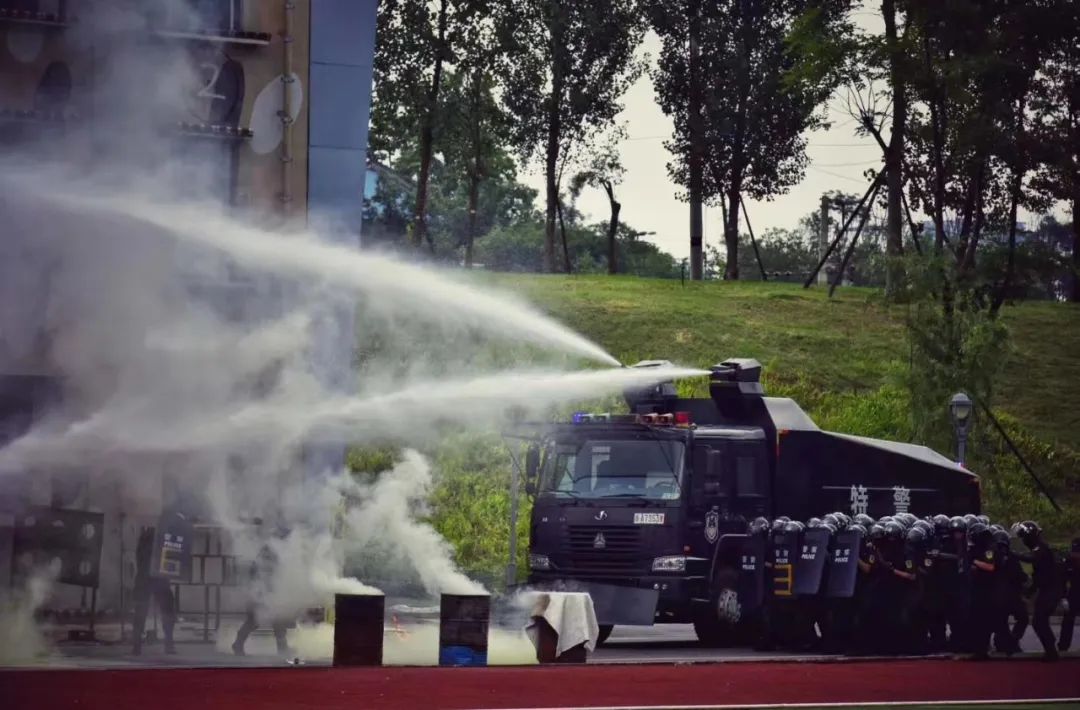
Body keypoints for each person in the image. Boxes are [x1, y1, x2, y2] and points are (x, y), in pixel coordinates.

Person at [232, 533, 293, 656]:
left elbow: (274, 580)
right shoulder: (259, 565)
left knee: (278, 622)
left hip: (265, 596)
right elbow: (255, 581)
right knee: (253, 622)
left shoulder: (267, 563)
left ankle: (282, 648)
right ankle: (238, 644)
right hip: (257, 597)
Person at [1012, 521, 1062, 661]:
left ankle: (1051, 651)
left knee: (1039, 621)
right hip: (1047, 589)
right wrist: (1031, 589)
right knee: (1040, 621)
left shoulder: (1041, 548)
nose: (1023, 540)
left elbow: (1032, 558)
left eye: (1023, 537)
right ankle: (1051, 650)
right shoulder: (1038, 547)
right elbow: (1040, 575)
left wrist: (1013, 554)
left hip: (1051, 589)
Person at [131, 525, 177, 656]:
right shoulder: (158, 541)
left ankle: (137, 645)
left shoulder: (147, 539)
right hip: (154, 578)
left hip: (150, 579)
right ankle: (167, 644)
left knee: (142, 611)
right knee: (163, 610)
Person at [991, 527, 1026, 656]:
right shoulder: (994, 557)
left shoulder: (1010, 557)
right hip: (1003, 595)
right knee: (1003, 622)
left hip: (1008, 595)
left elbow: (1019, 575)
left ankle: (1010, 641)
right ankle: (1007, 643)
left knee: (1019, 618)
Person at [966, 522, 996, 659]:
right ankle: (978, 649)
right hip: (977, 588)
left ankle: (983, 650)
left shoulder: (989, 548)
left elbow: (990, 567)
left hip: (987, 589)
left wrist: (974, 561)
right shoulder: (977, 547)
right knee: (975, 620)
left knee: (983, 621)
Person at [1058, 537, 1079, 652]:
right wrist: (1063, 597)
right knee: (1068, 620)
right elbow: (1063, 580)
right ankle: (1063, 646)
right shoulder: (1069, 561)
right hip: (1074, 592)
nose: (1075, 555)